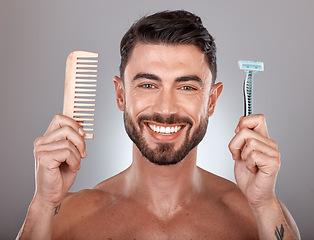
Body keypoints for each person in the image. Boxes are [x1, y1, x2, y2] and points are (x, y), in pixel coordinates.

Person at [17, 10, 300, 239]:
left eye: (187, 87)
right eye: (148, 84)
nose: (166, 108)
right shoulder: (65, 218)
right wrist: (43, 203)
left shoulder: (262, 217)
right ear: (120, 95)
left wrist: (264, 206)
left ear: (212, 101)